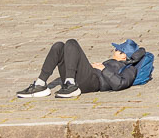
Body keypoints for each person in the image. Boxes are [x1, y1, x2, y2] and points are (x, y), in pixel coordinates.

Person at [16, 38, 148, 99]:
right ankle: (41, 84)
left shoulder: (130, 68)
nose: (114, 50)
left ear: (124, 56)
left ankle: (71, 84)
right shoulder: (112, 61)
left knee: (72, 43)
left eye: (118, 50)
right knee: (59, 46)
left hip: (94, 82)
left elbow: (120, 84)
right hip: (88, 76)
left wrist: (103, 69)